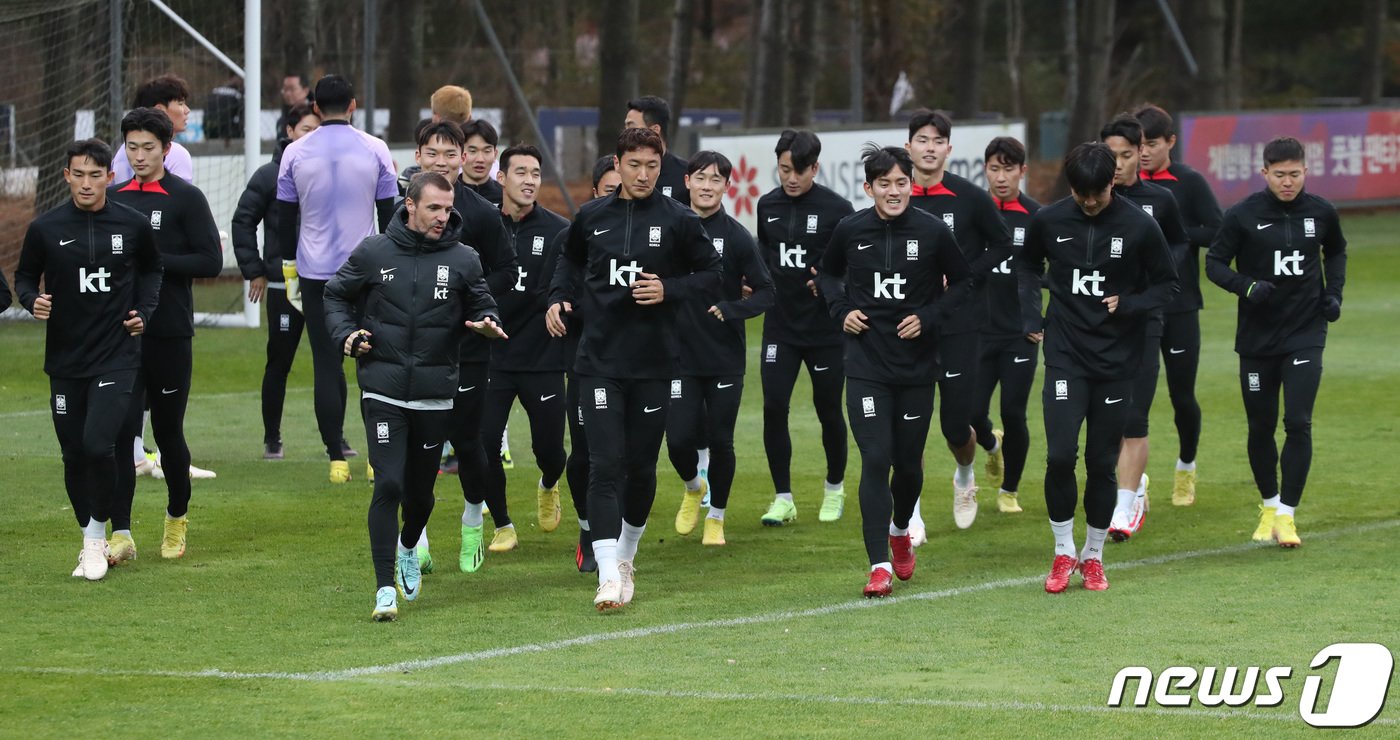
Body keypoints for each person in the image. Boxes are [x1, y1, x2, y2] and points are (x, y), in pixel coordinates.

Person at [546, 127, 721, 611]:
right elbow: (569, 260)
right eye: (634, 165)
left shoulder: (680, 221)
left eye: (652, 166)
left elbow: (713, 276)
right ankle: (606, 574)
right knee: (604, 465)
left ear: (662, 167)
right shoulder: (591, 217)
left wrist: (671, 289)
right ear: (617, 166)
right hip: (598, 363)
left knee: (641, 469)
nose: (643, 174)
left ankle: (625, 558)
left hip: (654, 364)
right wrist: (559, 297)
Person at [324, 171, 505, 621]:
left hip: (434, 395)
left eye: (448, 209)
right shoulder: (374, 252)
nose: (444, 217)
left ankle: (409, 546)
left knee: (420, 496)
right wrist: (347, 335)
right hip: (382, 391)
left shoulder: (464, 259)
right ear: (410, 205)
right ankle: (384, 587)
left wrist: (485, 323)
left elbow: (484, 304)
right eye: (434, 208)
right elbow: (334, 295)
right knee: (388, 482)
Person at [1017, 142, 1177, 593]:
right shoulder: (1048, 221)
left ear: (1114, 182)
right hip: (1066, 355)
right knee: (1061, 455)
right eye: (1081, 193)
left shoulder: (1139, 225)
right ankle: (1063, 551)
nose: (1089, 202)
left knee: (1101, 463)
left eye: (1098, 193)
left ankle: (1094, 555)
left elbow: (1168, 284)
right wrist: (1032, 316)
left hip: (1116, 360)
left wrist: (1130, 304)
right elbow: (1027, 267)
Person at [819, 144, 970, 597]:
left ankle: (901, 528)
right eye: (883, 184)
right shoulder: (849, 230)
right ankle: (879, 565)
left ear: (911, 185)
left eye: (901, 183)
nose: (893, 191)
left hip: (916, 367)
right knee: (876, 458)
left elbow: (963, 282)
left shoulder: (933, 232)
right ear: (868, 188)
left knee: (907, 465)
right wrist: (840, 308)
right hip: (865, 365)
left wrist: (929, 318)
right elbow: (827, 276)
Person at [14, 138, 162, 580]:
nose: (86, 183)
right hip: (65, 359)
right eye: (78, 174)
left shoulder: (133, 225)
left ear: (109, 178)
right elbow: (23, 276)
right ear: (66, 177)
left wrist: (144, 313)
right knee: (73, 454)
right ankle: (89, 538)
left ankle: (97, 540)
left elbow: (154, 270)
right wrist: (30, 300)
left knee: (100, 445)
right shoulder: (46, 227)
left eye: (95, 175)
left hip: (117, 356)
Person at [1205, 137, 1346, 549]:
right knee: (1261, 425)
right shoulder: (1243, 215)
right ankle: (1268, 504)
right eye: (1280, 175)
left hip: (1305, 333)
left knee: (1298, 422)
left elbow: (1336, 251)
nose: (1288, 183)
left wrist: (1333, 293)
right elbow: (1214, 263)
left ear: (1306, 171)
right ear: (1264, 172)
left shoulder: (1321, 211)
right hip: (1257, 338)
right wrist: (1245, 286)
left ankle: (1287, 514)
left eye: (1295, 174)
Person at [108, 108, 223, 562]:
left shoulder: (185, 199)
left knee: (167, 431)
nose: (139, 156)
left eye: (148, 148)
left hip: (170, 332)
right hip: (119, 335)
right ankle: (120, 531)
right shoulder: (112, 198)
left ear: (167, 149)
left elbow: (210, 262)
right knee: (120, 433)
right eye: (132, 147)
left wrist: (155, 261)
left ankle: (176, 518)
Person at [401, 120, 517, 571]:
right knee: (417, 450)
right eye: (434, 153)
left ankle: (473, 520)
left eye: (452, 154)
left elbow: (507, 269)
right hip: (414, 352)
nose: (443, 162)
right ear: (418, 155)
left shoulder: (483, 214)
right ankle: (417, 538)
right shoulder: (399, 211)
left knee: (469, 444)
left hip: (468, 350)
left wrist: (472, 297)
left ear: (465, 159)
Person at [277, 74, 398, 483]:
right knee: (372, 359)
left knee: (327, 364)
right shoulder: (375, 148)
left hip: (314, 272)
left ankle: (336, 458)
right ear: (353, 105)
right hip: (365, 270)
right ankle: (372, 456)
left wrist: (288, 263)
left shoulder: (294, 151)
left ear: (314, 108)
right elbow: (389, 215)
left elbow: (283, 218)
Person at [904, 108, 1014, 534]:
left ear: (948, 149)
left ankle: (965, 476)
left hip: (961, 324)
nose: (929, 149)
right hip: (908, 325)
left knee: (955, 422)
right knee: (908, 422)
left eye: (937, 142)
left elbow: (1002, 244)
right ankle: (909, 516)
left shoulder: (969, 198)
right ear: (909, 145)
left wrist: (965, 272)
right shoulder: (896, 194)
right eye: (922, 140)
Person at [668, 151, 775, 546]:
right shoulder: (670, 229)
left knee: (721, 439)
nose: (708, 186)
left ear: (727, 187)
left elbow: (766, 292)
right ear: (688, 183)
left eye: (716, 180)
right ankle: (694, 486)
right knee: (678, 439)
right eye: (701, 178)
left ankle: (717, 515)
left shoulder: (736, 236)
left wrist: (732, 309)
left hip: (723, 358)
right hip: (678, 354)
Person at [1099, 114, 1191, 542]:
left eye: (1126, 154)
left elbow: (1178, 244)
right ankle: (1130, 487)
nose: (1117, 164)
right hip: (1094, 327)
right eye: (1110, 155)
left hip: (1146, 321)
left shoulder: (1160, 201)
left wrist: (1151, 279)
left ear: (1142, 153)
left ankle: (1125, 505)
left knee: (1135, 415)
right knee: (1106, 420)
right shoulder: (1085, 203)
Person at [755, 130, 852, 527]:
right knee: (774, 407)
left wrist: (831, 282)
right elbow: (763, 256)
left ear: (815, 167)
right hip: (780, 325)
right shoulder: (767, 206)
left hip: (825, 330)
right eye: (783, 170)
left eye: (798, 171)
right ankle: (783, 498)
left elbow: (849, 265)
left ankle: (834, 488)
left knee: (828, 409)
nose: (790, 178)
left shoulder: (838, 208)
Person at [477, 144, 570, 555]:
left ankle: (549, 484)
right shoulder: (479, 225)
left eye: (536, 173)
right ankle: (502, 524)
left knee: (550, 451)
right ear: (501, 178)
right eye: (521, 172)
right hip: (490, 357)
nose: (530, 180)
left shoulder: (559, 230)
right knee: (483, 446)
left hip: (542, 357)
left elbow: (568, 286)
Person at [1134, 103, 1222, 507]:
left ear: (1171, 141)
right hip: (1135, 308)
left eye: (1152, 143)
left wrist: (1176, 235)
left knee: (1181, 394)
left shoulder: (1189, 182)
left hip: (1181, 304)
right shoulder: (1121, 186)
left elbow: (1217, 232)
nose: (1145, 151)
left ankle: (1186, 467)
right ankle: (1135, 482)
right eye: (1139, 144)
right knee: (1137, 396)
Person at [231, 103, 321, 459]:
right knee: (279, 362)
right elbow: (242, 221)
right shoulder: (269, 175)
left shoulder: (334, 173)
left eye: (318, 130)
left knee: (330, 360)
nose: (313, 137)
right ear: (289, 132)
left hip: (326, 284)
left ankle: (338, 440)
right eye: (306, 130)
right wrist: (255, 269)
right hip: (284, 285)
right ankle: (272, 438)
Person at [970, 136, 1041, 517]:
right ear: (986, 170)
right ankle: (992, 447)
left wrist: (1037, 318)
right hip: (978, 332)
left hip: (1019, 334)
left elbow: (1054, 273)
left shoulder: (1036, 217)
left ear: (1022, 171)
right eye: (994, 168)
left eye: (1008, 168)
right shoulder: (974, 214)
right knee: (970, 412)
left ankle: (1009, 490)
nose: (1001, 177)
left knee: (1014, 413)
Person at [562, 156, 625, 574]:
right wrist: (560, 303)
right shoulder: (584, 231)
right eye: (609, 190)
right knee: (585, 454)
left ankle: (618, 541)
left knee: (625, 457)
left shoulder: (652, 233)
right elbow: (560, 280)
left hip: (637, 360)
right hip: (587, 358)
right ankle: (590, 529)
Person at [113, 75, 194, 183]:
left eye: (148, 148)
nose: (187, 110)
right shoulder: (178, 154)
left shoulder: (122, 151)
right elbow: (181, 198)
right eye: (180, 103)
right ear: (159, 110)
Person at [624, 95, 689, 205]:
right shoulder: (618, 171)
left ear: (655, 130)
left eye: (631, 127)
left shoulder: (686, 175)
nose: (625, 133)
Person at [460, 119, 503, 206]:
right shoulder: (447, 194)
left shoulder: (505, 196)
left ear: (495, 155)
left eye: (487, 151)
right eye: (472, 151)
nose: (480, 159)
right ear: (460, 154)